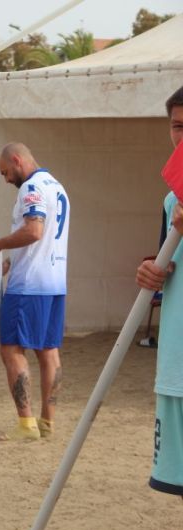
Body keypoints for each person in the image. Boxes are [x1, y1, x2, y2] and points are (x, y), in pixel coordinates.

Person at [0, 142, 69, 441]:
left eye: (5, 172)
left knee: (11, 348)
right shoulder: (56, 185)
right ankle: (47, 423)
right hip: (55, 281)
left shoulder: (30, 188)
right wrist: (9, 259)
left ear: (17, 161)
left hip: (29, 284)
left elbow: (34, 231)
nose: (6, 179)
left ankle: (26, 424)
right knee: (48, 350)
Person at [135, 85, 183, 499]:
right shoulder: (173, 200)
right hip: (176, 367)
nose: (182, 138)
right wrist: (153, 271)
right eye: (177, 127)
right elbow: (169, 264)